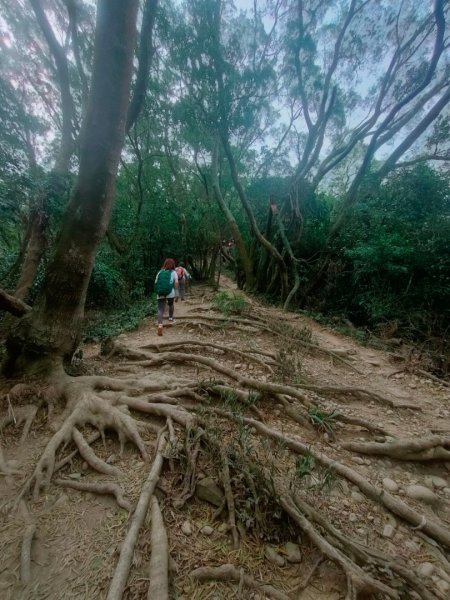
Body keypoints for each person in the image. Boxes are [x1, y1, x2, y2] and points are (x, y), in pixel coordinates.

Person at [155, 258, 178, 336]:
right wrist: (175, 289)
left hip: (160, 293)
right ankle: (171, 319)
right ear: (172, 265)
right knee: (171, 304)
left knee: (160, 309)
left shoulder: (160, 272)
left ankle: (160, 325)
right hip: (170, 292)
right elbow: (176, 283)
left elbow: (156, 283)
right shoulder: (174, 272)